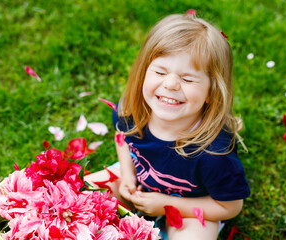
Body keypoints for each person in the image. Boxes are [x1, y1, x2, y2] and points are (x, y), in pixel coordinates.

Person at [85, 11, 250, 240]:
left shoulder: (215, 154)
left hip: (193, 204)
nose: (170, 84)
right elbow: (122, 137)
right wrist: (127, 175)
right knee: (84, 198)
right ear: (144, 72)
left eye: (188, 78)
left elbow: (230, 206)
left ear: (212, 91)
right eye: (160, 72)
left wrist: (167, 205)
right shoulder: (132, 112)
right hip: (141, 180)